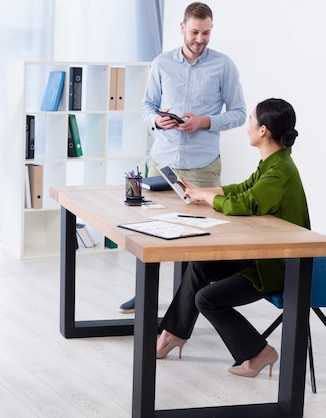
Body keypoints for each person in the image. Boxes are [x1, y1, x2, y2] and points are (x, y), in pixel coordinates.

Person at [156, 98, 309, 378]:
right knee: (200, 266)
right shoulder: (274, 163)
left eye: (250, 120)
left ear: (263, 130)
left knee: (207, 299)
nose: (247, 125)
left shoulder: (280, 171)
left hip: (274, 268)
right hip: (260, 256)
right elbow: (243, 188)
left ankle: (258, 352)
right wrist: (201, 191)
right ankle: (173, 333)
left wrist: (205, 196)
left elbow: (246, 203)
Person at [120, 1, 246, 314]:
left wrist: (205, 121)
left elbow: (240, 113)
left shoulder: (224, 66)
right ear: (182, 28)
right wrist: (156, 120)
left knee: (197, 237)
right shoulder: (161, 63)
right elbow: (147, 106)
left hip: (202, 166)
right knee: (151, 231)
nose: (200, 39)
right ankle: (144, 294)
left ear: (211, 29)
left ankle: (188, 304)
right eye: (194, 32)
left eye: (206, 32)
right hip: (162, 162)